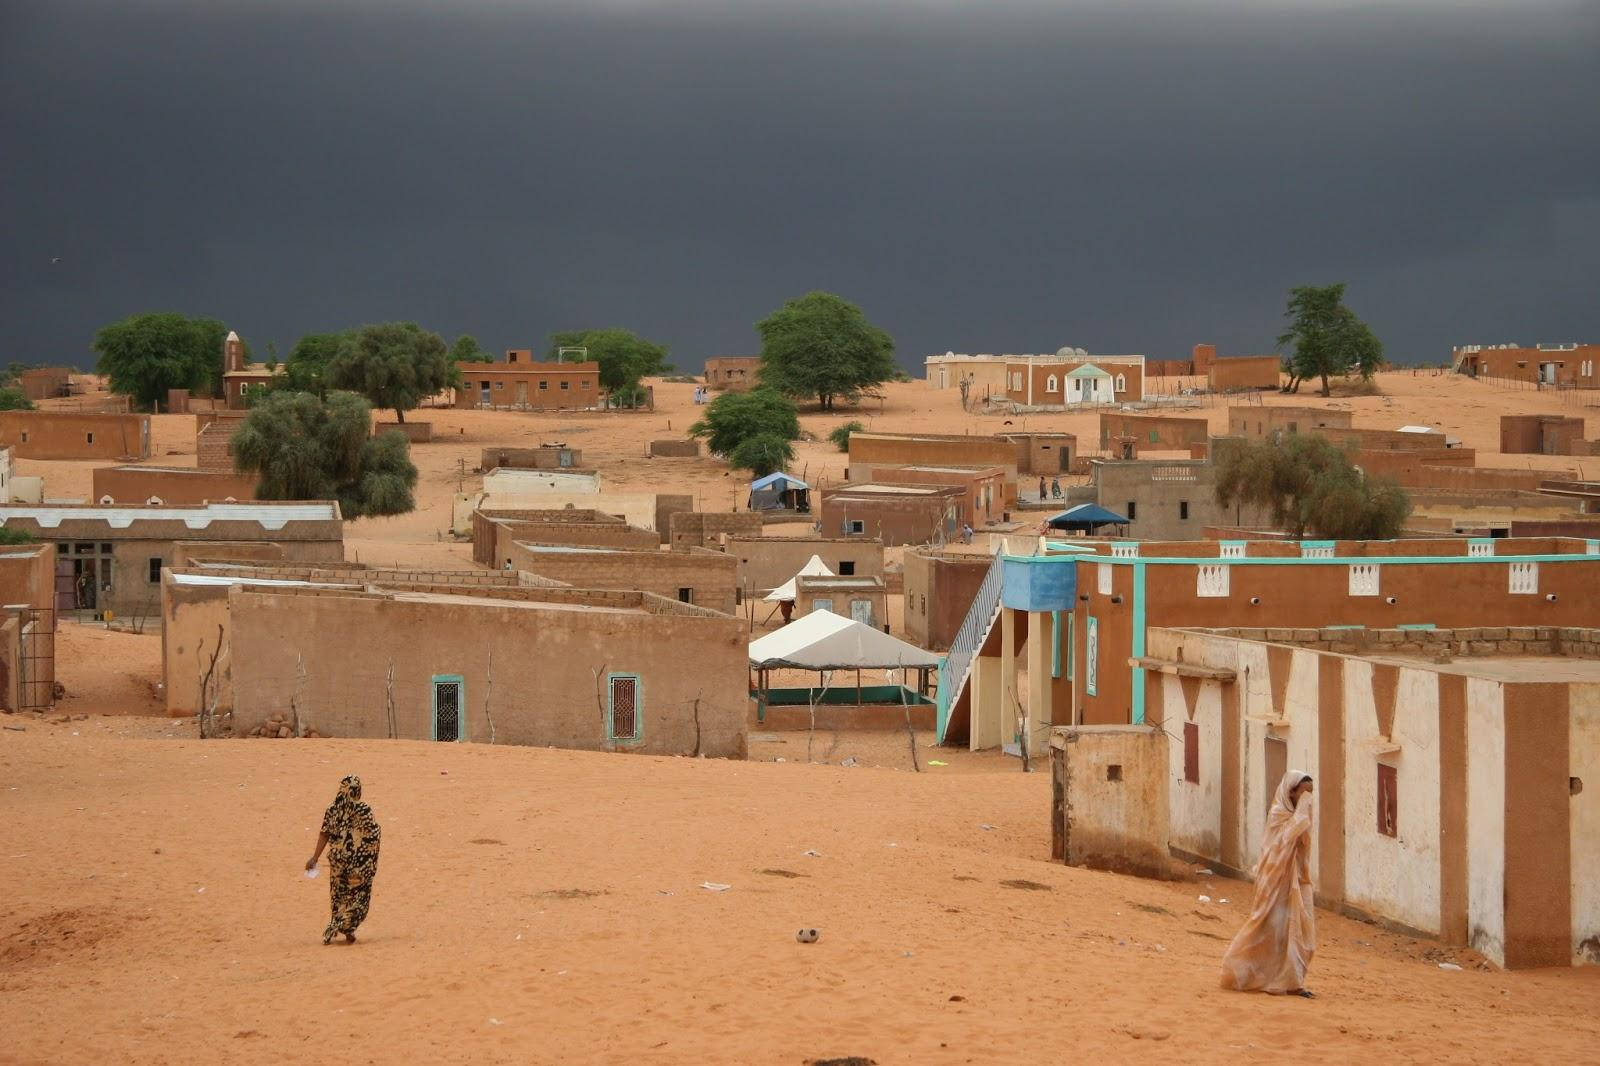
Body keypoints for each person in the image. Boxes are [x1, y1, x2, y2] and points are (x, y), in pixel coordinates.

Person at [1220, 771, 1316, 996]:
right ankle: (1241, 971)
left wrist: (1304, 812)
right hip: (1275, 883)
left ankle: (1293, 980)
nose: (1308, 798)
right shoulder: (1278, 814)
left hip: (1298, 880)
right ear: (1291, 791)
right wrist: (1303, 812)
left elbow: (1303, 843)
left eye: (1311, 793)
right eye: (1304, 793)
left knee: (1302, 934)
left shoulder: (1301, 815)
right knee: (1272, 932)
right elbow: (1283, 840)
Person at [306, 775, 382, 945]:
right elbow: (373, 836)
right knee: (358, 896)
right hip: (358, 865)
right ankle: (346, 927)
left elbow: (324, 833)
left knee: (338, 896)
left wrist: (315, 857)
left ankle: (339, 928)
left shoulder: (332, 809)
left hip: (338, 863)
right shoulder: (364, 810)